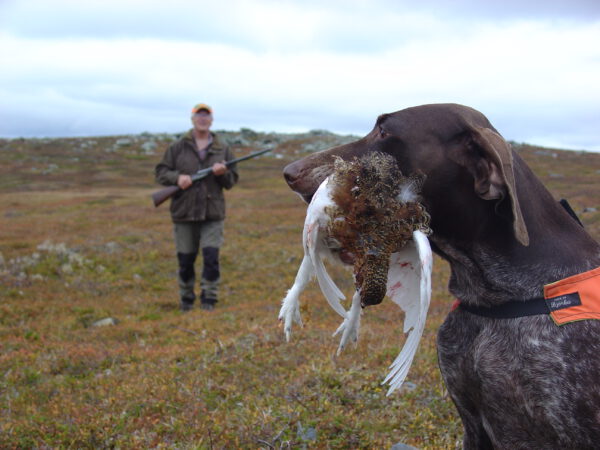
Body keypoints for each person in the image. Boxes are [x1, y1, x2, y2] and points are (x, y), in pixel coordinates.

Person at [155, 103, 238, 311]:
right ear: (192, 119)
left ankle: (209, 299)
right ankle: (186, 298)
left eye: (206, 115)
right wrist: (178, 178)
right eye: (198, 115)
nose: (202, 118)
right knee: (186, 258)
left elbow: (231, 181)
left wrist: (223, 174)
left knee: (211, 257)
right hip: (184, 212)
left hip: (212, 213)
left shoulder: (223, 149)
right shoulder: (177, 147)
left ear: (211, 120)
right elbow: (161, 172)